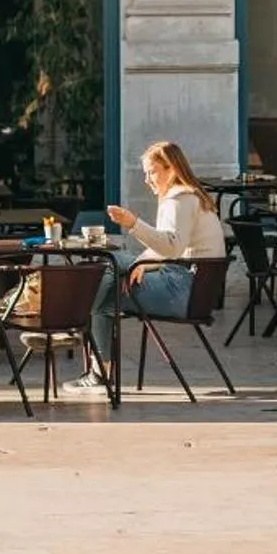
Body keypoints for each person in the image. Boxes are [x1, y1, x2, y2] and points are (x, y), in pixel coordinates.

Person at [73, 141, 227, 391]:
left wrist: (134, 224)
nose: (147, 180)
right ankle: (78, 325)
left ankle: (85, 345)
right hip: (190, 285)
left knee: (103, 291)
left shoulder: (180, 199)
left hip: (183, 289)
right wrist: (144, 263)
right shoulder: (189, 196)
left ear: (172, 169)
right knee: (111, 265)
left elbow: (172, 247)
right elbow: (171, 245)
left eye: (152, 171)